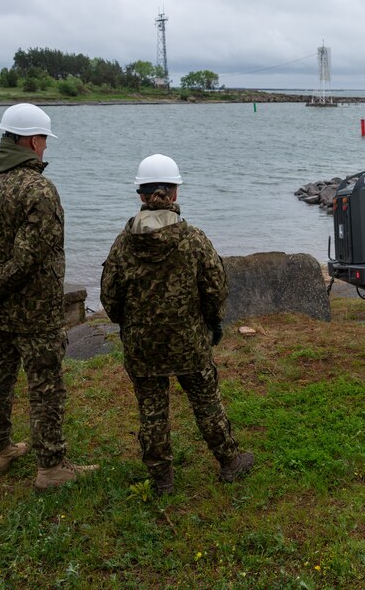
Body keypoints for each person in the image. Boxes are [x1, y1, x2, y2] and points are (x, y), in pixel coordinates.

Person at [0, 102, 98, 491]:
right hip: (35, 312)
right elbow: (30, 257)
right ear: (31, 140)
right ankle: (51, 467)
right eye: (44, 139)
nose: (46, 147)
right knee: (45, 385)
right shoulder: (39, 190)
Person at [100, 154, 253, 495]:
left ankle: (162, 481)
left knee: (152, 411)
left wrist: (128, 325)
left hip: (142, 346)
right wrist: (213, 322)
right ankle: (230, 462)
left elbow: (110, 297)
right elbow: (215, 288)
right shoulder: (194, 240)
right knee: (206, 401)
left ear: (141, 195)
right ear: (175, 193)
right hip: (190, 342)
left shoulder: (124, 243)